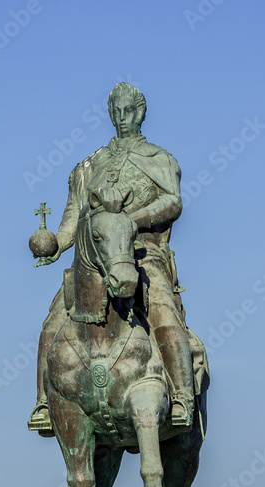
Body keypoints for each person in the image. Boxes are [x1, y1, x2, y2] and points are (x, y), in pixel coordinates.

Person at [29, 82, 198, 436]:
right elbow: (72, 221)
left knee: (163, 311)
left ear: (141, 113)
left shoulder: (160, 159)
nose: (123, 117)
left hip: (142, 254)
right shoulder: (88, 168)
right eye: (116, 111)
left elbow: (173, 202)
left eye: (129, 110)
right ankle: (45, 402)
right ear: (109, 114)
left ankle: (182, 396)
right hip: (95, 262)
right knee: (53, 322)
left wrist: (126, 223)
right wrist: (53, 243)